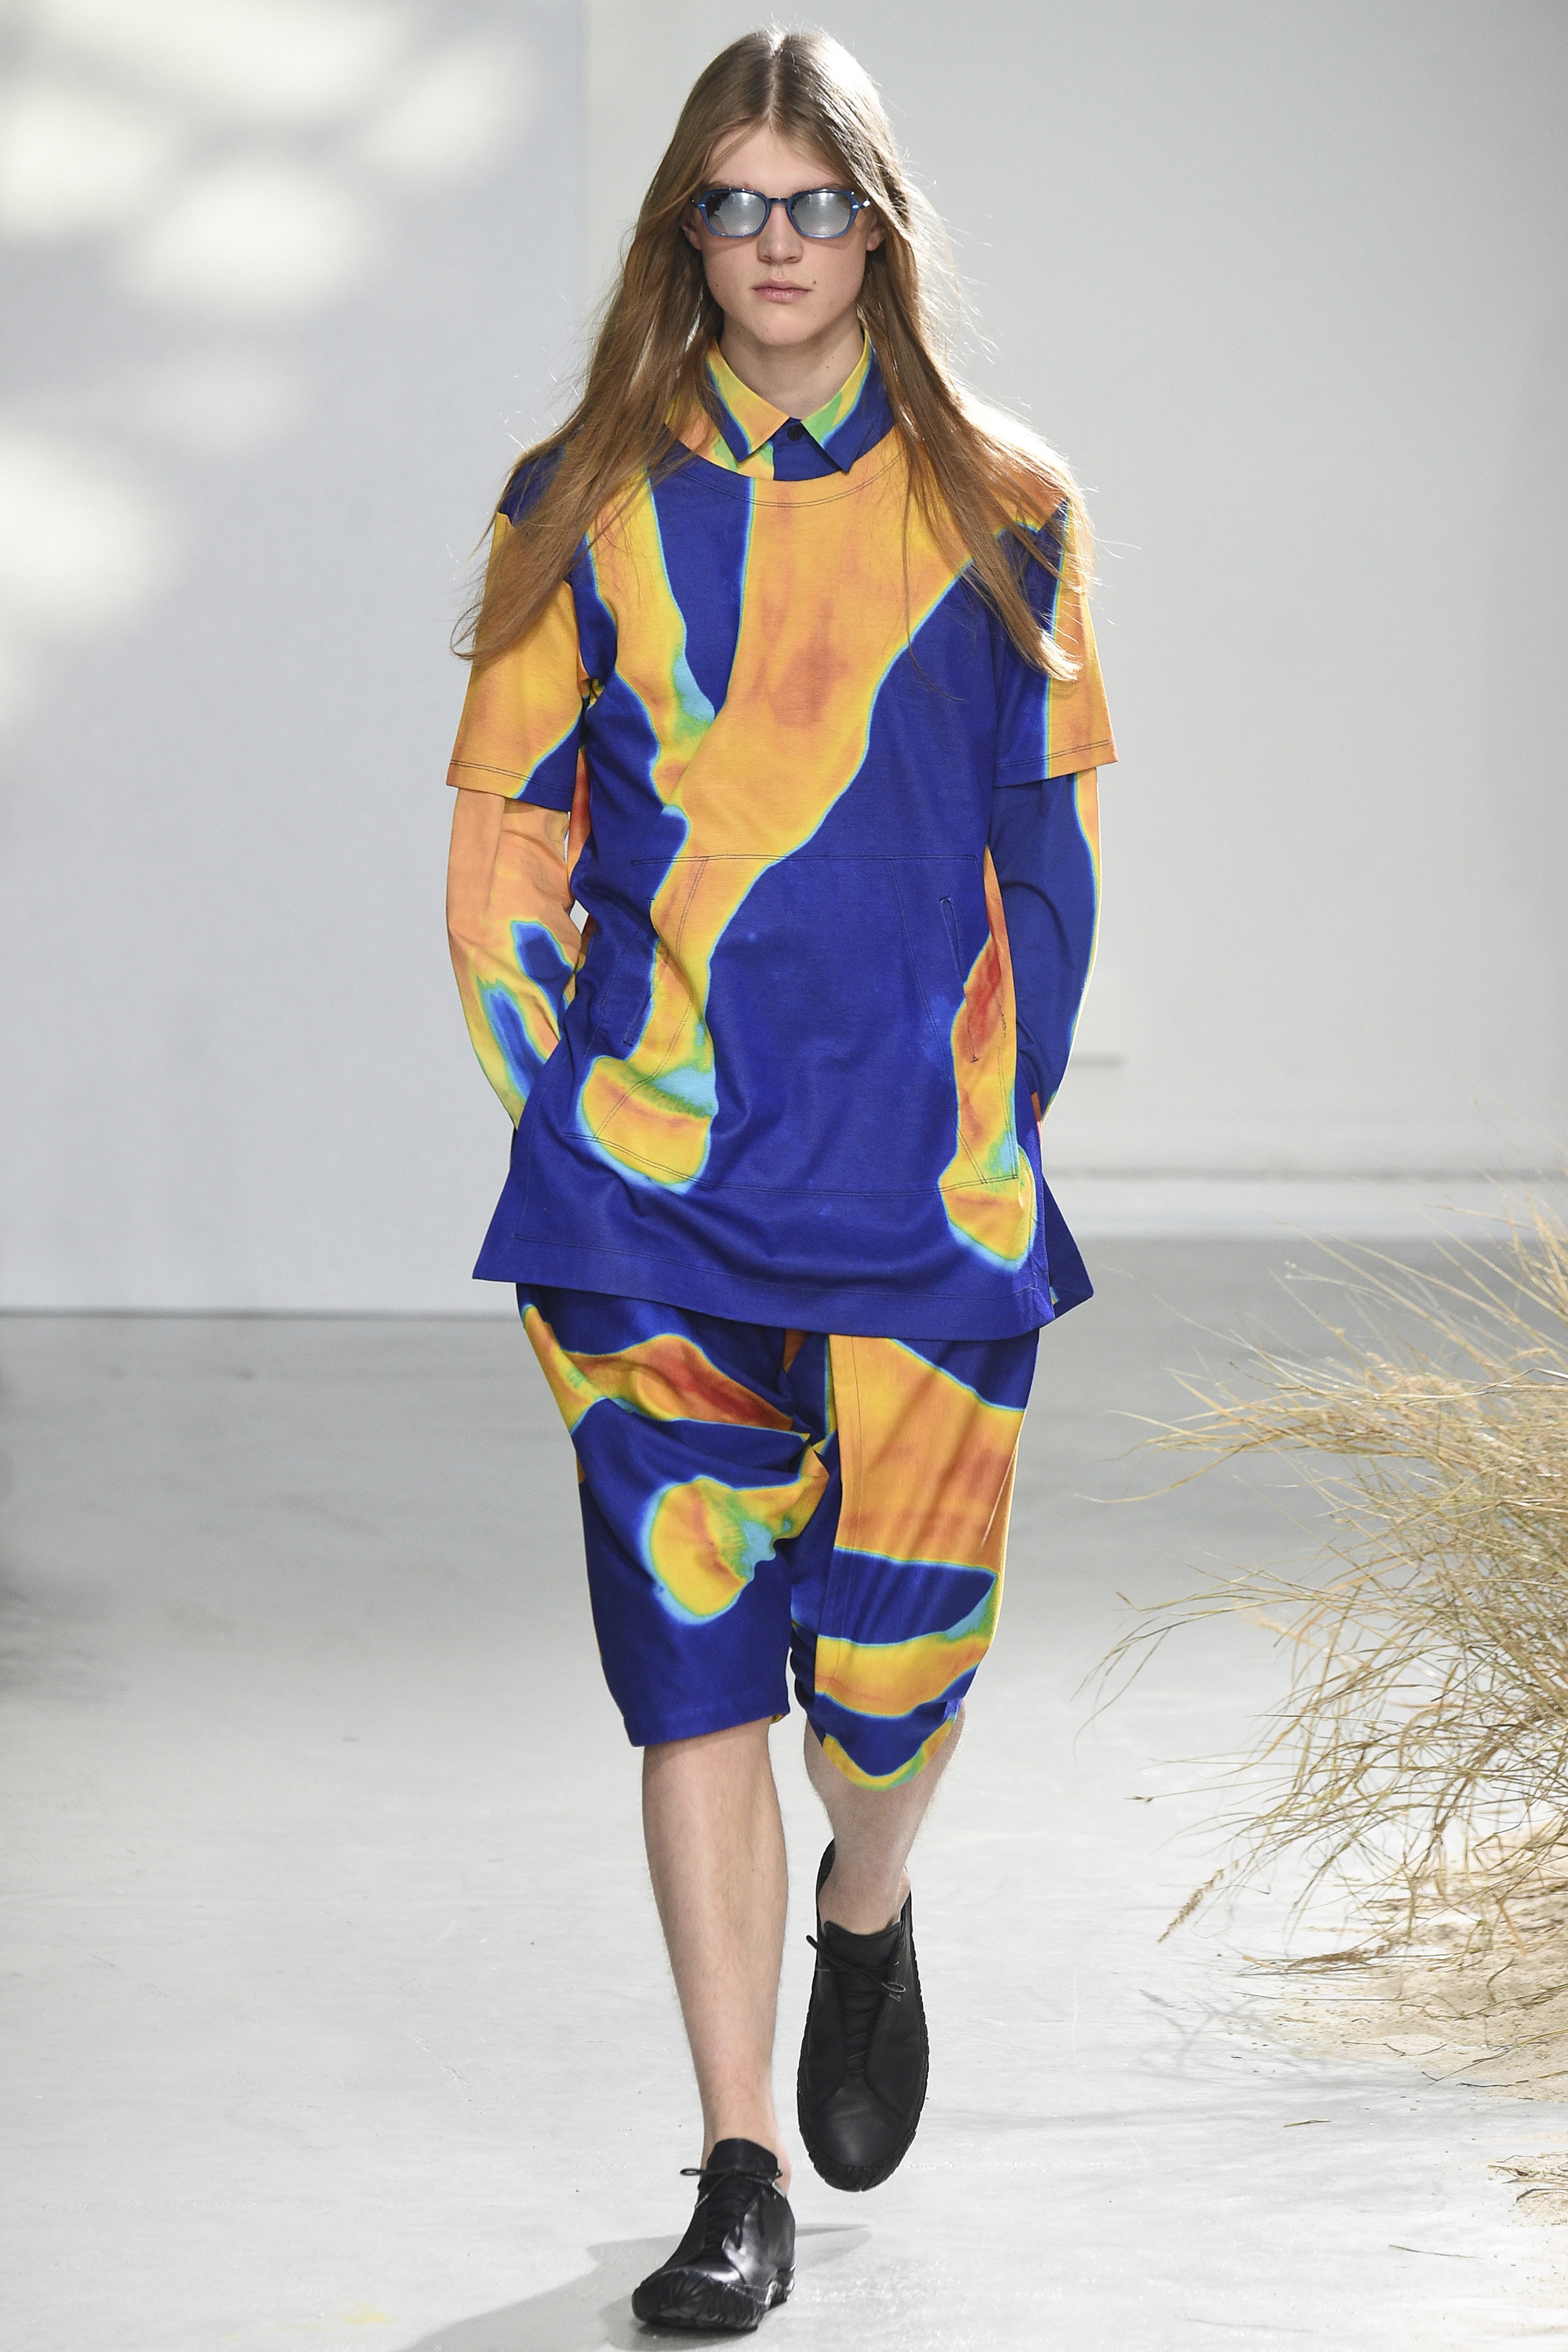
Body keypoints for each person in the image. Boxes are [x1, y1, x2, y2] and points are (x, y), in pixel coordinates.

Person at [444, 26, 1113, 2335]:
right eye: (732, 205)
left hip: (922, 1193)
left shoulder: (1005, 499)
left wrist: (995, 1135)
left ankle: (869, 1900)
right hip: (643, 1199)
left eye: (814, 202)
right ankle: (737, 2166)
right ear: (686, 235)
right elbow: (507, 846)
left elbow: (1050, 860)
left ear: (877, 228)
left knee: (892, 1686)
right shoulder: (575, 498)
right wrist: (571, 1118)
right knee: (694, 1681)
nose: (776, 243)